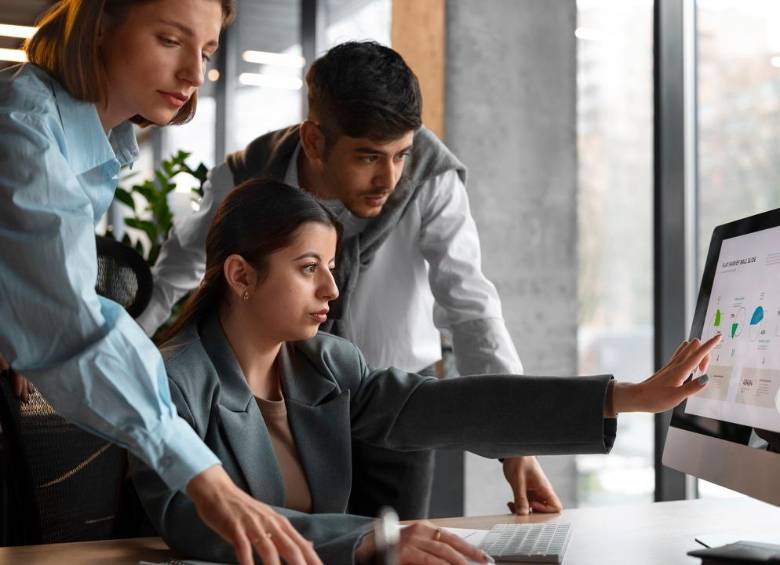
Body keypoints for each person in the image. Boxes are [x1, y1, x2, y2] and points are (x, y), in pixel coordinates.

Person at [129, 178, 718, 564]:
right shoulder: (168, 381)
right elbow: (196, 522)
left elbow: (450, 407)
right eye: (309, 268)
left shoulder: (327, 365)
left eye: (330, 266)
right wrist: (366, 539)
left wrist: (625, 397)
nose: (331, 288)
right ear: (240, 276)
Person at [137, 40, 557, 520]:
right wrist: (117, 361)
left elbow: (471, 307)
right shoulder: (250, 175)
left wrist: (517, 440)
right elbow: (175, 273)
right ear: (314, 141)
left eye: (401, 155)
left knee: (396, 550)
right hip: (283, 404)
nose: (390, 179)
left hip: (394, 403)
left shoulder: (431, 176)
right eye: (368, 157)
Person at [0, 2, 320, 564]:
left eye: (205, 52)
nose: (195, 74)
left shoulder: (83, 136)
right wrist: (204, 475)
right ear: (99, 26)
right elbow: (76, 325)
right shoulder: (22, 129)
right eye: (171, 40)